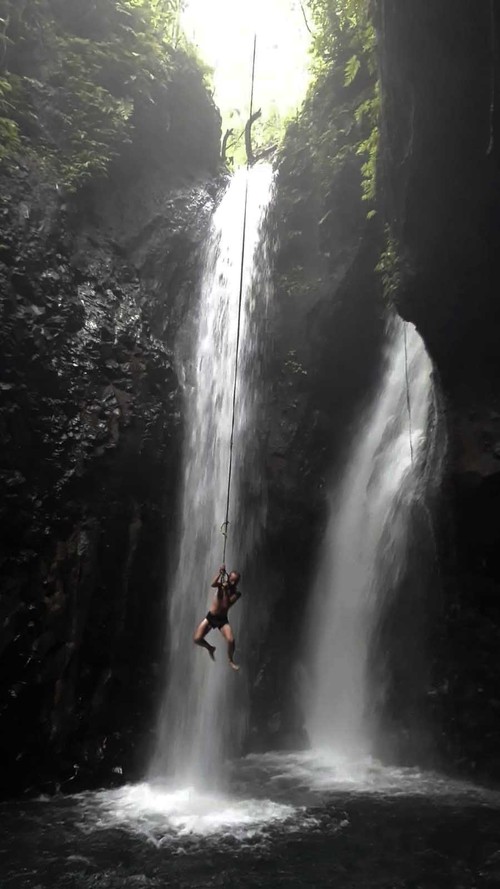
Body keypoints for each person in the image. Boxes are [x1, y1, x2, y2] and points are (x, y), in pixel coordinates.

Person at [193, 565, 241, 671]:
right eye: (232, 580)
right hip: (211, 617)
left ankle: (230, 660)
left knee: (231, 640)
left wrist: (225, 590)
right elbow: (213, 584)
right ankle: (210, 648)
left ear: (237, 582)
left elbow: (228, 603)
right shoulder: (221, 585)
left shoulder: (237, 594)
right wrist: (220, 573)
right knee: (197, 639)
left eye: (235, 581)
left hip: (222, 620)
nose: (233, 583)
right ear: (228, 578)